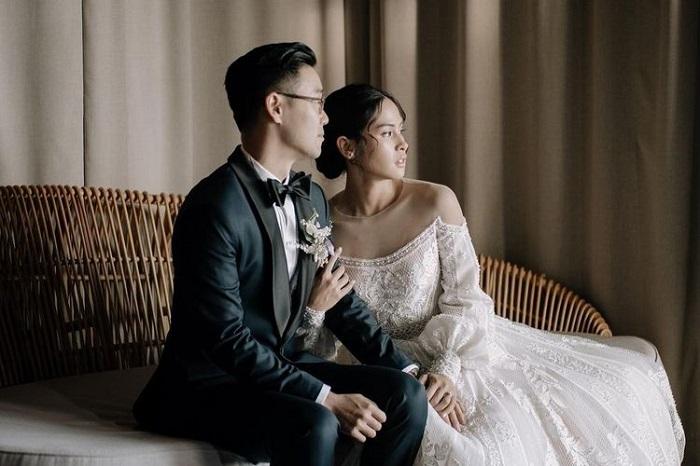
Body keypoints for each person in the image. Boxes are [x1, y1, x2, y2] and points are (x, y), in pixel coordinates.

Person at [303, 83, 686, 465]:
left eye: (402, 131)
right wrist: (315, 310)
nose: (404, 144)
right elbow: (319, 343)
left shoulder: (435, 201)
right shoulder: (322, 227)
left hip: (458, 359)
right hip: (379, 382)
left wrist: (446, 372)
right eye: (388, 133)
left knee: (491, 446)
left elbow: (468, 299)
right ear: (347, 147)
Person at [132, 44, 428, 466]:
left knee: (405, 395)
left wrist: (408, 370)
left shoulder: (310, 198)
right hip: (208, 382)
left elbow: (341, 300)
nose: (325, 117)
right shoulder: (215, 206)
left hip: (278, 365)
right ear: (276, 106)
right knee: (316, 422)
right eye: (317, 102)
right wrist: (324, 396)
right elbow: (225, 339)